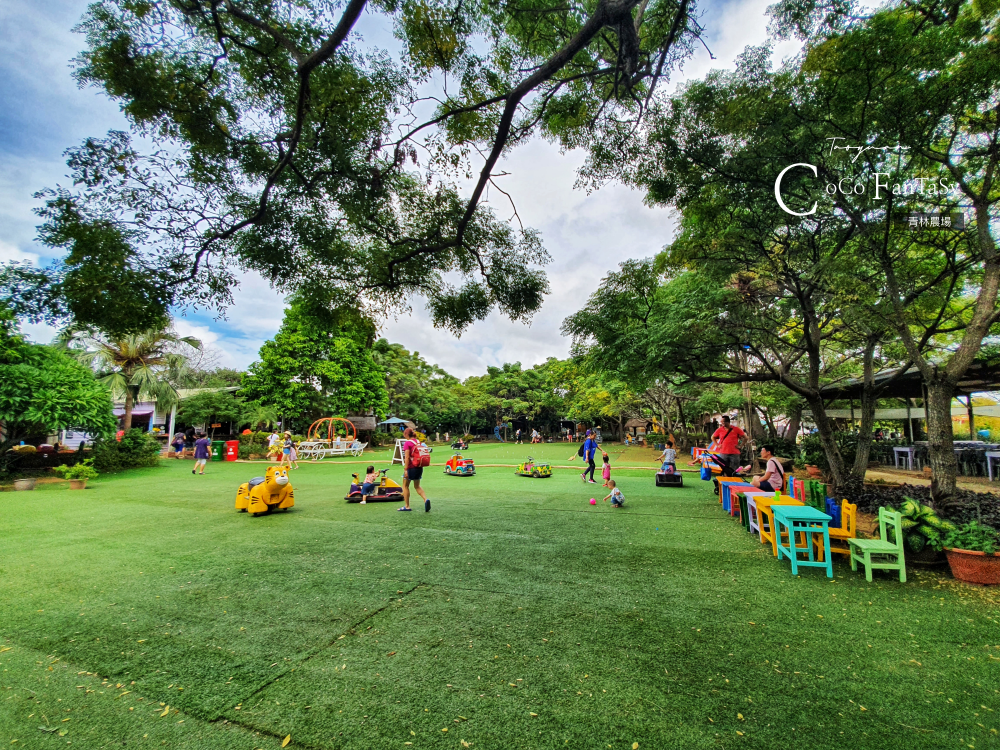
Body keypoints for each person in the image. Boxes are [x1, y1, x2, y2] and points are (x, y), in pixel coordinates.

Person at [400, 427, 430, 512]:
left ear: (406, 434)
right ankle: (425, 499)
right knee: (417, 486)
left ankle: (407, 506)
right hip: (419, 467)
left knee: (405, 486)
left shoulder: (407, 443)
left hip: (411, 467)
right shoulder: (418, 442)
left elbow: (407, 457)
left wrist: (405, 469)